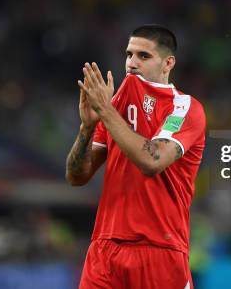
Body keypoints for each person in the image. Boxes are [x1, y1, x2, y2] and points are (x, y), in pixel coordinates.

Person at [66, 25, 206, 289]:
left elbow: (152, 161)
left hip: (159, 249)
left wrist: (106, 112)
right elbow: (77, 175)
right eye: (129, 54)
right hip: (105, 248)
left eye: (143, 56)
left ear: (168, 63)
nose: (132, 63)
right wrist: (86, 129)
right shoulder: (116, 104)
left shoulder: (185, 108)